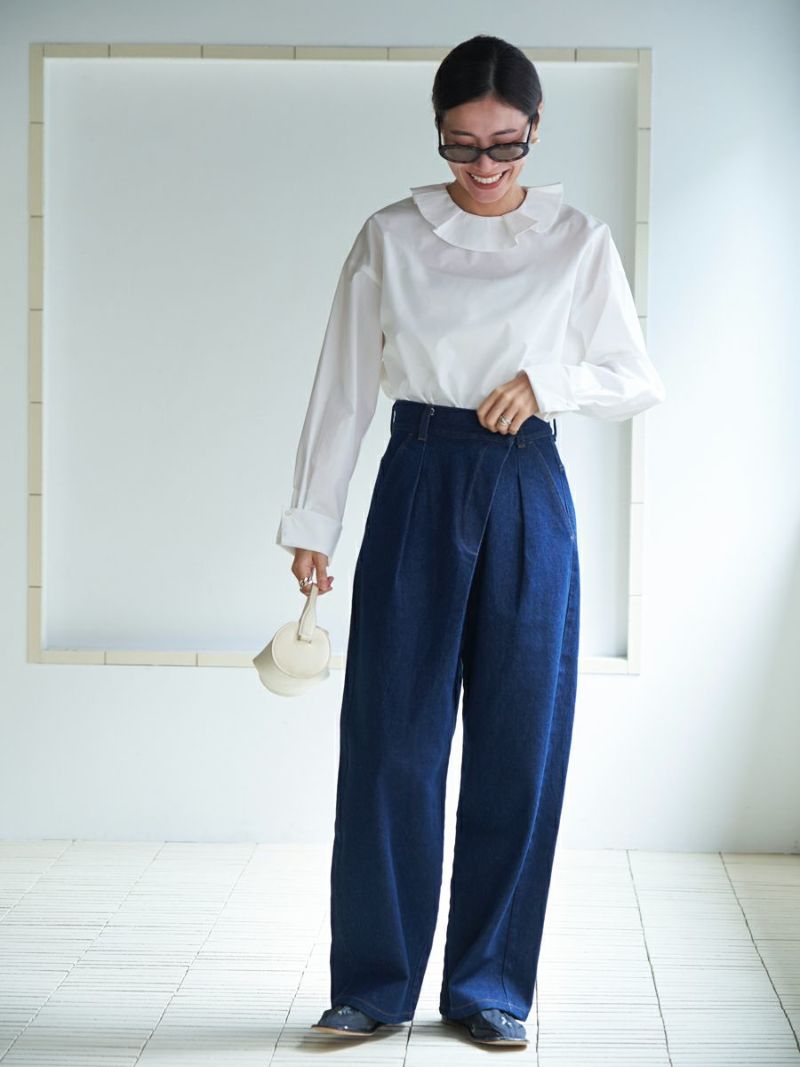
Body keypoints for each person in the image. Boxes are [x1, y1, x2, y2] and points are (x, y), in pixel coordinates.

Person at [276, 35, 666, 1049]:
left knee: (517, 744)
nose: (483, 164)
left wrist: (548, 382)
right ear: (438, 132)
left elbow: (635, 376)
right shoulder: (391, 235)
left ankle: (489, 984)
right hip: (418, 473)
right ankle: (373, 983)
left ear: (534, 128)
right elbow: (342, 384)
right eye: (461, 144)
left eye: (503, 143)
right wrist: (313, 520)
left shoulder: (577, 240)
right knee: (390, 741)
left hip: (528, 483)